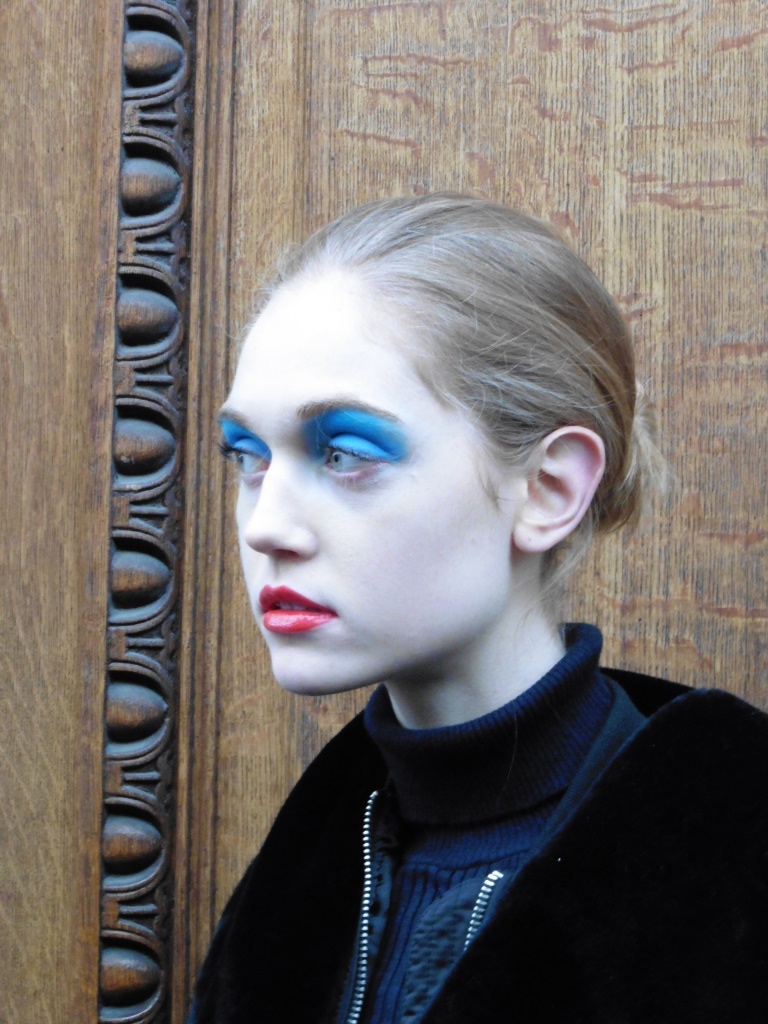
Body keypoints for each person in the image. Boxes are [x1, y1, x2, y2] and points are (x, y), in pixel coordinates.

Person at [190, 194, 768, 1024]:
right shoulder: (299, 876)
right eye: (248, 456)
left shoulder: (730, 864)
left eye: (344, 453)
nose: (266, 526)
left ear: (548, 489)